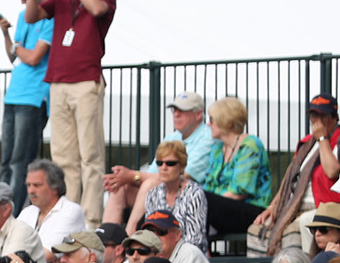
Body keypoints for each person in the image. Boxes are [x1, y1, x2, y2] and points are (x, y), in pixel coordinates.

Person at [27, 0, 116, 227]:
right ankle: (68, 217)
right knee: (63, 156)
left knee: (90, 155)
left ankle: (91, 221)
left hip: (86, 80)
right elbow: (31, 17)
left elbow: (97, 9)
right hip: (58, 81)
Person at [254, 94, 340, 254]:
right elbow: (289, 178)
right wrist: (273, 206)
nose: (316, 120)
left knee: (293, 231)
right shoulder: (306, 142)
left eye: (322, 115)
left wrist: (322, 138)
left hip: (323, 205)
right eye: (314, 115)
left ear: (334, 118)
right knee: (257, 228)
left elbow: (332, 171)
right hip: (294, 205)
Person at [104, 91, 214, 229]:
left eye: (183, 111)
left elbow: (182, 175)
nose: (176, 114)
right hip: (165, 194)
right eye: (174, 110)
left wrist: (132, 175)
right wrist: (124, 178)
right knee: (119, 186)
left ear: (198, 114)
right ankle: (106, 242)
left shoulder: (207, 136)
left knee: (151, 183)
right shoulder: (171, 137)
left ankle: (129, 238)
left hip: (190, 199)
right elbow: (154, 172)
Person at [0, 0, 54, 212]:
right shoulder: (22, 16)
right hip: (13, 95)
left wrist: (16, 49)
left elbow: (33, 57)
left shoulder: (50, 17)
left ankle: (13, 212)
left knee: (20, 161)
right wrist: (6, 34)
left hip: (33, 98)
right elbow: (16, 57)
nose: (22, 0)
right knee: (6, 159)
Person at [200, 95, 273, 236]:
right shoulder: (217, 149)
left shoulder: (250, 145)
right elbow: (209, 185)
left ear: (226, 122)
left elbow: (240, 192)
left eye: (212, 120)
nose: (208, 124)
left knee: (201, 199)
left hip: (251, 211)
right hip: (220, 208)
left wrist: (205, 202)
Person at [138, 140, 209, 254]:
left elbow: (195, 239)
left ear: (182, 166)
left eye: (170, 163)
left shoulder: (194, 193)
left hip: (188, 257)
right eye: (159, 163)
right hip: (159, 255)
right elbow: (150, 234)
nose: (163, 167)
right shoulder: (153, 194)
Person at [18, 158, 87, 263]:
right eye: (28, 185)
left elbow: (47, 255)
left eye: (37, 185)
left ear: (55, 187)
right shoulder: (27, 212)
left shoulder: (71, 211)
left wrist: (17, 257)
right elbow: (8, 247)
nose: (30, 191)